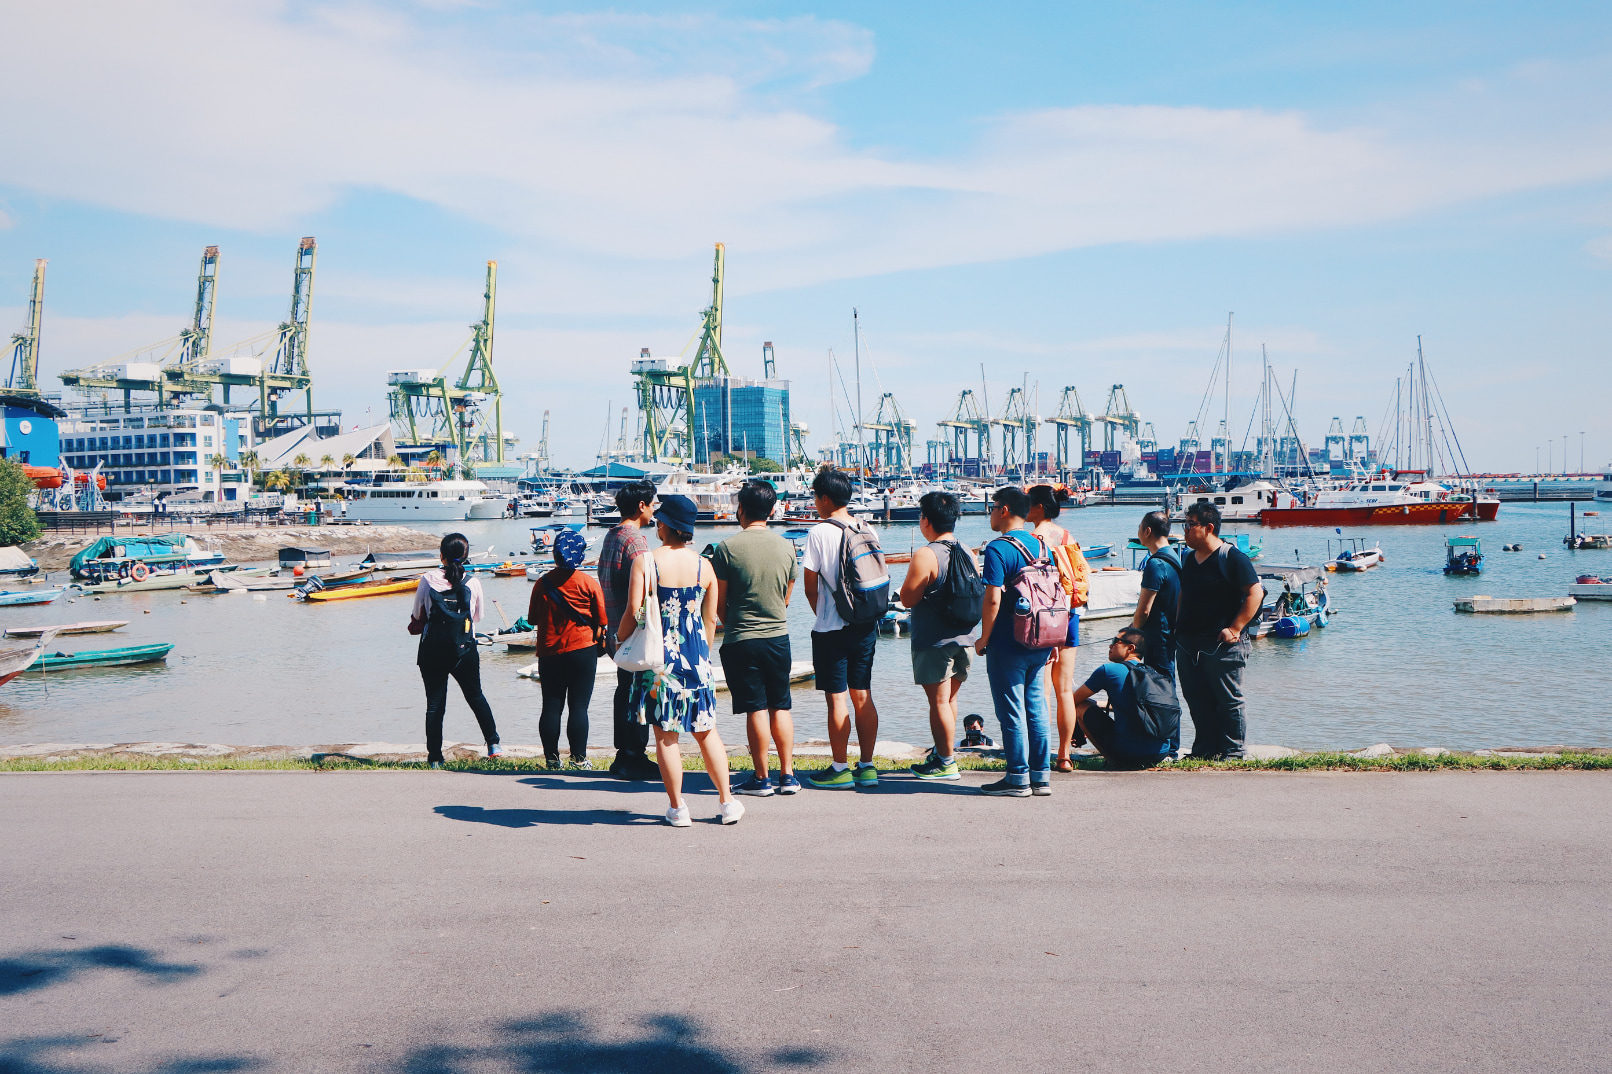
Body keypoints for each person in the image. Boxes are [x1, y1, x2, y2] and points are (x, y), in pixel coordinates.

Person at [617, 494, 742, 826]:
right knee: (706, 731)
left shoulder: (646, 561)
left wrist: (619, 639)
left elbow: (633, 611)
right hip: (697, 658)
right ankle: (727, 803)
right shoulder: (705, 566)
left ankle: (678, 808)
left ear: (663, 525)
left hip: (659, 661)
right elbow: (712, 619)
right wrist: (704, 654)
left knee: (666, 735)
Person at [711, 479, 800, 797]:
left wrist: (733, 622)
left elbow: (719, 603)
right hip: (778, 637)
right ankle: (788, 775)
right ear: (773, 509)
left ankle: (761, 778)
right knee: (781, 705)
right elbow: (786, 598)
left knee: (756, 709)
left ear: (742, 509)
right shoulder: (787, 547)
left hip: (741, 639)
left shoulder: (726, 549)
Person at [802, 468, 882, 789]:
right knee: (862, 695)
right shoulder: (868, 528)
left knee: (837, 700)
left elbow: (810, 586)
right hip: (865, 624)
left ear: (824, 498)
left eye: (815, 497)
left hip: (831, 630)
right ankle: (867, 766)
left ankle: (839, 769)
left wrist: (822, 613)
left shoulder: (819, 533)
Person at [974, 487, 1054, 797]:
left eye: (992, 508)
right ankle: (1041, 776)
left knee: (1011, 711)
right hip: (1040, 638)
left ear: (1004, 510)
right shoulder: (1041, 546)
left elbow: (992, 600)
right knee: (1036, 707)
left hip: (1008, 641)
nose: (990, 514)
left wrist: (984, 638)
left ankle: (1017, 777)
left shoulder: (997, 548)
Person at [899, 490, 977, 781]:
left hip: (935, 642)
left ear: (926, 520)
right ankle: (943, 753)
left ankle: (946, 762)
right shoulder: (968, 551)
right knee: (950, 700)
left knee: (939, 703)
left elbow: (908, 598)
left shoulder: (926, 554)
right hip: (966, 637)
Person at [1176, 502, 1263, 760]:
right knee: (1197, 699)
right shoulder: (1189, 558)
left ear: (1209, 527)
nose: (1185, 531)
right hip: (1189, 642)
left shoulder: (1233, 557)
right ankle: (1205, 750)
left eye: (1190, 525)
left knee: (1228, 700)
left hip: (1222, 644)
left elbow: (1254, 593)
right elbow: (1184, 594)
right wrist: (1177, 626)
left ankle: (1233, 752)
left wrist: (1235, 628)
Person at [409, 532, 501, 769]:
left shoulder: (427, 579)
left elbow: (418, 615)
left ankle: (435, 758)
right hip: (464, 649)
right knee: (476, 696)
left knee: (435, 705)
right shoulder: (473, 582)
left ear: (442, 555)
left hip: (432, 650)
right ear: (465, 555)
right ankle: (493, 745)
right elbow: (478, 617)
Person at [529, 529, 606, 770]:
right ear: (580, 555)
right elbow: (602, 620)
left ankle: (552, 760)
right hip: (583, 651)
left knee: (551, 705)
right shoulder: (589, 583)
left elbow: (532, 619)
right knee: (579, 706)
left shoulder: (542, 583)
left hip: (550, 652)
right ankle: (579, 759)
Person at [599, 481, 661, 781]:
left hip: (615, 630)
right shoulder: (636, 542)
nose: (653, 510)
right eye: (652, 504)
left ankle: (624, 754)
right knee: (638, 693)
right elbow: (644, 596)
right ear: (641, 506)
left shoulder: (611, 536)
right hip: (632, 631)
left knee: (624, 691)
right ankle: (633, 755)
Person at [1027, 485, 1081, 773]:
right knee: (1064, 690)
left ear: (1037, 508)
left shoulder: (1032, 538)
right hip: (1070, 614)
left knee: (1042, 690)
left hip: (1043, 618)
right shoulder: (1067, 536)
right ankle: (1064, 755)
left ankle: (1039, 754)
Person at [1072, 628, 1172, 769]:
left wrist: (1076, 730)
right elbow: (1136, 704)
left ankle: (1113, 761)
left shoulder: (1108, 670)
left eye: (1115, 642)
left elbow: (1071, 701)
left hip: (1128, 755)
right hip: (1160, 753)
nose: (1110, 646)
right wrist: (1098, 704)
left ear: (1130, 648)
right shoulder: (1153, 673)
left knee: (1080, 706)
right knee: (1089, 704)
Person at [1129, 510, 1182, 757]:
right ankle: (1168, 743)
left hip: (1157, 636)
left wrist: (1130, 634)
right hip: (1170, 633)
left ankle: (1168, 746)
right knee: (1166, 686)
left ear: (1147, 531)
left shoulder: (1155, 563)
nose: (1138, 532)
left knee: (1160, 689)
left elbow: (1144, 609)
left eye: (1140, 527)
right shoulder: (1174, 556)